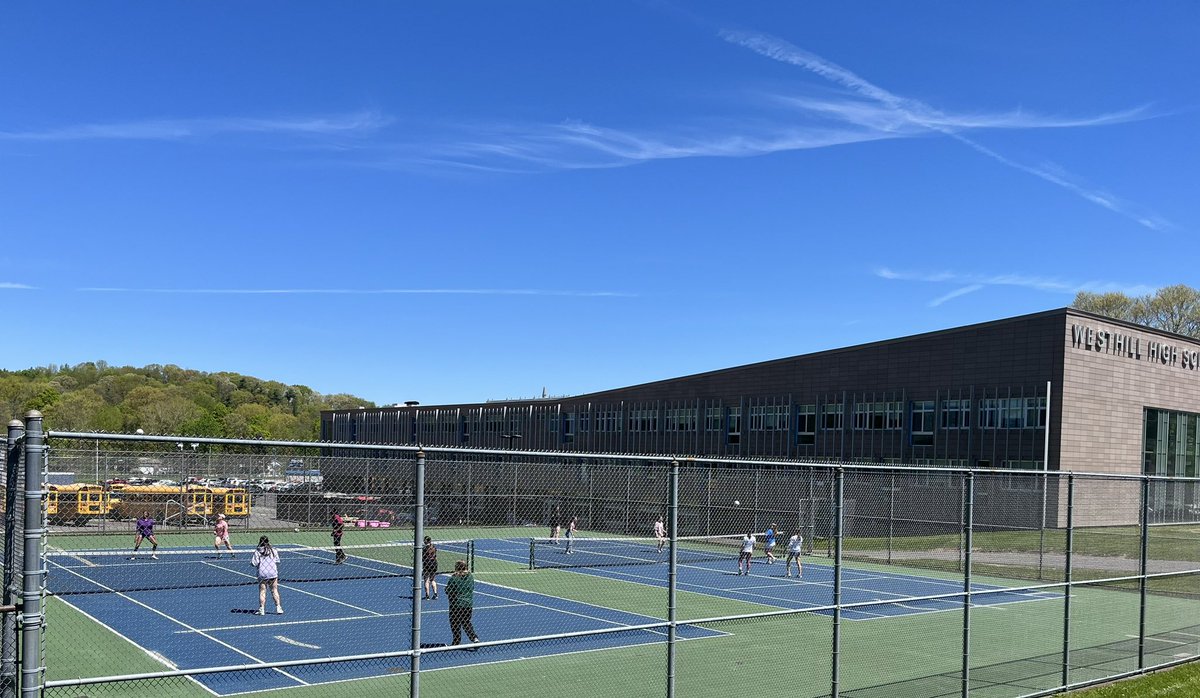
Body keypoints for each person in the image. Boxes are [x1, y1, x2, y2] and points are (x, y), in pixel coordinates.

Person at [445, 559, 480, 648]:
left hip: (456, 604)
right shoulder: (470, 577)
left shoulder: (454, 578)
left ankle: (456, 640)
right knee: (466, 622)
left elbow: (448, 590)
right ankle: (474, 638)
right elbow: (471, 587)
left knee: (455, 622)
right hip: (468, 604)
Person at [251, 535, 283, 615]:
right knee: (274, 590)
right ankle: (278, 608)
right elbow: (277, 561)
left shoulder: (258, 551)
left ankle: (262, 609)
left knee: (262, 591)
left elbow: (254, 563)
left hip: (262, 574)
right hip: (272, 573)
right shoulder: (273, 550)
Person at [422, 536, 439, 600]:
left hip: (427, 564)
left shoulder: (424, 548)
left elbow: (423, 557)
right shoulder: (434, 547)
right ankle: (435, 593)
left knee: (426, 580)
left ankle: (427, 595)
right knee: (433, 580)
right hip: (434, 564)